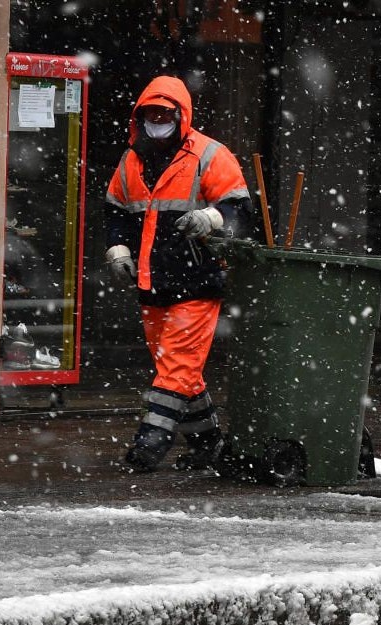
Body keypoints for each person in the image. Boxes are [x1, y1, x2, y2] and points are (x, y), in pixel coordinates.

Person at [104, 75, 252, 474]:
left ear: (181, 116)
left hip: (197, 281)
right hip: (152, 283)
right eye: (150, 114)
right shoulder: (131, 160)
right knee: (181, 370)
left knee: (176, 368)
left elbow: (240, 210)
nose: (157, 120)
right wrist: (117, 247)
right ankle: (209, 445)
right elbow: (116, 210)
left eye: (165, 114)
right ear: (140, 117)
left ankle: (150, 444)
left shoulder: (210, 154)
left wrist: (211, 217)